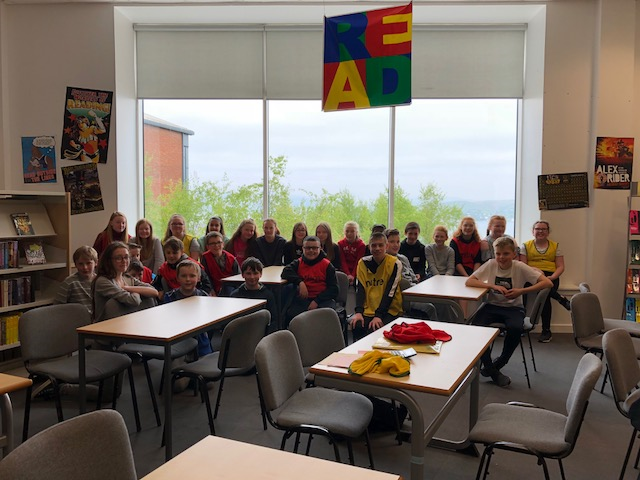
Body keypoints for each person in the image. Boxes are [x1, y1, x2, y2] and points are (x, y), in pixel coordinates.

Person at [466, 236, 553, 387]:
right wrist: (492, 286)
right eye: (498, 254)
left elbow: (548, 283)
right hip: (492, 305)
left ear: (514, 254)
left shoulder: (519, 267)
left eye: (506, 254)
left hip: (514, 308)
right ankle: (491, 369)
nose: (501, 257)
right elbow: (470, 281)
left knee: (515, 328)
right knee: (476, 329)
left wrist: (521, 291)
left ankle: (500, 362)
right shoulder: (491, 264)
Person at [520, 220, 571, 343]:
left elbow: (560, 266)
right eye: (538, 229)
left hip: (551, 276)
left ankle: (546, 331)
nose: (540, 231)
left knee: (544, 295)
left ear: (548, 232)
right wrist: (536, 272)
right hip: (531, 275)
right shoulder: (525, 246)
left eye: (543, 229)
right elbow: (523, 265)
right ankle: (560, 299)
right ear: (533, 232)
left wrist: (552, 277)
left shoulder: (556, 246)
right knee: (522, 294)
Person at [351, 232, 403, 341]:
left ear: (386, 246)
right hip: (368, 308)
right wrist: (358, 312)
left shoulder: (395, 263)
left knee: (374, 328)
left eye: (380, 245)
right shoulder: (362, 263)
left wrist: (378, 315)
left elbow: (390, 293)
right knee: (357, 325)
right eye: (374, 245)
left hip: (389, 309)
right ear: (369, 247)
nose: (377, 248)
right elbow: (360, 289)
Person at [92, 241, 160, 323]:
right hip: (105, 326)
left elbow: (154, 292)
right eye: (118, 258)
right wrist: (138, 290)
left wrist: (127, 288)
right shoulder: (103, 281)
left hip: (127, 322)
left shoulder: (127, 278)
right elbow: (133, 300)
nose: (124, 261)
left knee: (149, 299)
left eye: (126, 257)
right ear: (109, 261)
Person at [281, 235, 338, 326]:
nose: (311, 251)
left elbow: (334, 289)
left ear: (320, 248)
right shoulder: (298, 262)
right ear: (303, 249)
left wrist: (317, 301)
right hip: (303, 300)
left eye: (314, 248)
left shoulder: (327, 265)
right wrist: (300, 282)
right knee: (291, 316)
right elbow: (285, 272)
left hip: (323, 301)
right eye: (308, 248)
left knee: (324, 320)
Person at [163, 259, 213, 356]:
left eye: (192, 276)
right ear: (177, 278)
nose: (188, 279)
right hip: (177, 339)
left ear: (198, 278)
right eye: (183, 276)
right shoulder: (170, 297)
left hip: (201, 340)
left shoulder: (204, 297)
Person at [230, 257, 277, 327]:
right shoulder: (235, 296)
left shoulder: (268, 295)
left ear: (260, 274)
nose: (252, 277)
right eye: (248, 273)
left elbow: (274, 320)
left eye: (255, 273)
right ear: (242, 275)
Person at [54, 245, 98, 315]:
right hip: (77, 318)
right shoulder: (69, 282)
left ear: (96, 263)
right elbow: (57, 307)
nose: (85, 267)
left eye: (88, 263)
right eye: (80, 264)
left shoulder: (100, 281)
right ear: (75, 265)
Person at [200, 231, 240, 296]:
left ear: (223, 244)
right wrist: (211, 290)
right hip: (213, 288)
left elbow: (238, 277)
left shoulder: (231, 258)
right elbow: (206, 277)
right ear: (208, 246)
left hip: (230, 288)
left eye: (219, 242)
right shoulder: (205, 258)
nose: (216, 246)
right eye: (212, 243)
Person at [338, 221, 366, 286]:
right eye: (347, 231)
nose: (349, 234)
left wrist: (353, 275)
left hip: (357, 271)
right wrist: (348, 274)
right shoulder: (340, 244)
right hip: (344, 272)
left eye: (352, 231)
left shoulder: (361, 245)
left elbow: (358, 262)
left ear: (356, 232)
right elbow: (342, 261)